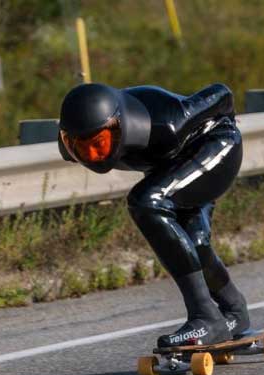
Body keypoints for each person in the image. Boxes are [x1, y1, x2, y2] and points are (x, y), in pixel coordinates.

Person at [58, 82, 252, 348]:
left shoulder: (168, 122)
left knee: (147, 201)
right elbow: (84, 140)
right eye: (81, 148)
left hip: (217, 146)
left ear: (117, 127)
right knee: (194, 242)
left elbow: (222, 93)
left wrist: (228, 121)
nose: (92, 156)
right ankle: (234, 310)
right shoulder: (76, 138)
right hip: (170, 167)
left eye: (99, 144)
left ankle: (206, 316)